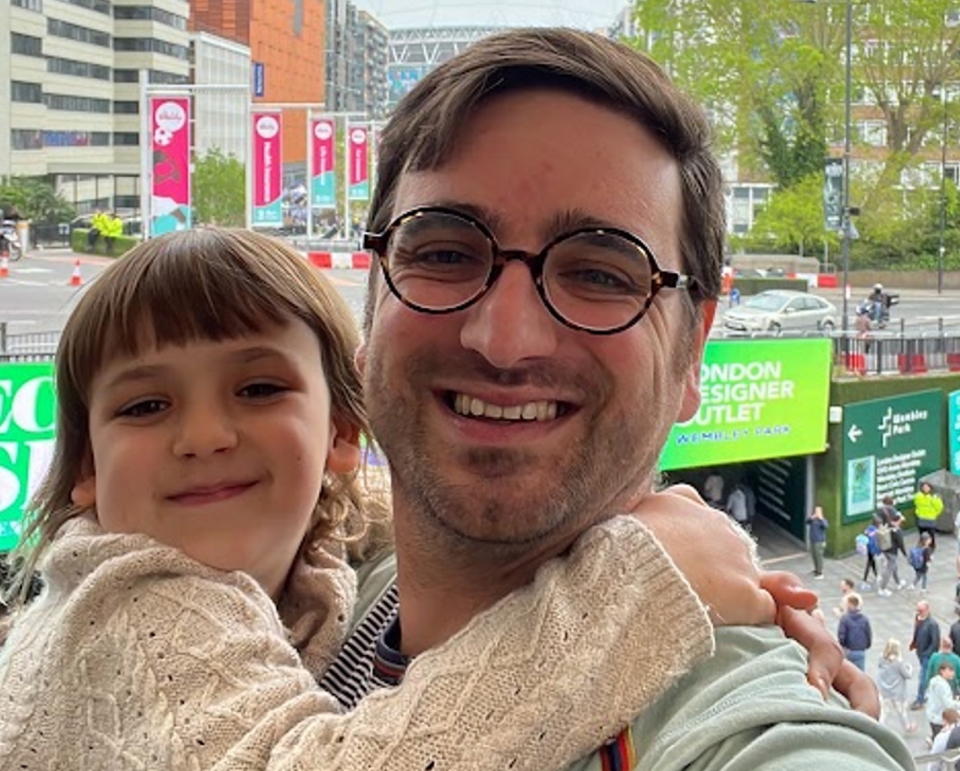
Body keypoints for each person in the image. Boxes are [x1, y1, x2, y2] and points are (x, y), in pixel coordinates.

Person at [346, 28, 909, 767]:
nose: (505, 338)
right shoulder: (323, 590)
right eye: (444, 252)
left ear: (692, 355)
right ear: (370, 302)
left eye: (603, 273)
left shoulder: (739, 733)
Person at [0, 228, 746, 769]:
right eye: (144, 406)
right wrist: (642, 580)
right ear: (86, 473)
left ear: (342, 435)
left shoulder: (304, 553)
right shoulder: (139, 602)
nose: (203, 435)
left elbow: (387, 514)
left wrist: (727, 574)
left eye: (257, 389)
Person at [877, 639, 916, 734]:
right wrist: (910, 668)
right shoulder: (898, 662)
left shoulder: (881, 658)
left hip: (884, 689)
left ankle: (879, 727)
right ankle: (907, 726)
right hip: (897, 691)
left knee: (884, 711)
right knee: (901, 711)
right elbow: (907, 675)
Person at [913, 600, 943, 710]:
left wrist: (927, 653)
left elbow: (935, 642)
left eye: (921, 610)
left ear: (927, 610)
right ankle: (930, 694)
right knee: (928, 676)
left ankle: (920, 699)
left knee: (923, 677)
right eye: (918, 610)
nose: (918, 612)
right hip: (920, 653)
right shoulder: (919, 619)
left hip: (927, 654)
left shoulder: (932, 624)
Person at [879, 502, 909, 596]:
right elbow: (901, 544)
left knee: (894, 566)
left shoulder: (887, 525)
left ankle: (898, 582)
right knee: (889, 568)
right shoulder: (897, 531)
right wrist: (905, 554)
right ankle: (882, 588)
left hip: (885, 549)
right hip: (892, 551)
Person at [838, 592, 872, 671]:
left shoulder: (845, 618)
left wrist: (843, 646)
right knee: (860, 674)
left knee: (847, 673)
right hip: (860, 650)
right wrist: (866, 646)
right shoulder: (864, 619)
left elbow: (841, 635)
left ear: (850, 604)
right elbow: (868, 634)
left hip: (849, 650)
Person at [927, 663, 960, 740]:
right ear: (942, 671)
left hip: (932, 714)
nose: (953, 673)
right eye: (950, 671)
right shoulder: (943, 685)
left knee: (937, 735)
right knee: (942, 738)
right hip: (940, 717)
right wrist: (958, 704)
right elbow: (948, 704)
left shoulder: (934, 680)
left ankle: (932, 739)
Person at [916, 481, 945, 550]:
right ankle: (923, 545)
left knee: (931, 534)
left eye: (927, 487)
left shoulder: (934, 497)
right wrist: (918, 512)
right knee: (922, 534)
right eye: (924, 487)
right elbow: (917, 504)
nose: (925, 489)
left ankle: (931, 546)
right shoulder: (918, 496)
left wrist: (934, 514)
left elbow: (940, 507)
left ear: (930, 488)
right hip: (921, 518)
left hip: (930, 519)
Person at [807, 504, 828, 579]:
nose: (816, 512)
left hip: (819, 541)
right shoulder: (813, 519)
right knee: (814, 556)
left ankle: (820, 573)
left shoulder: (823, 520)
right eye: (815, 511)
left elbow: (825, 526)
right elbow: (807, 522)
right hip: (813, 540)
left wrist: (821, 518)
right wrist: (812, 517)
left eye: (818, 511)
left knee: (819, 557)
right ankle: (816, 569)